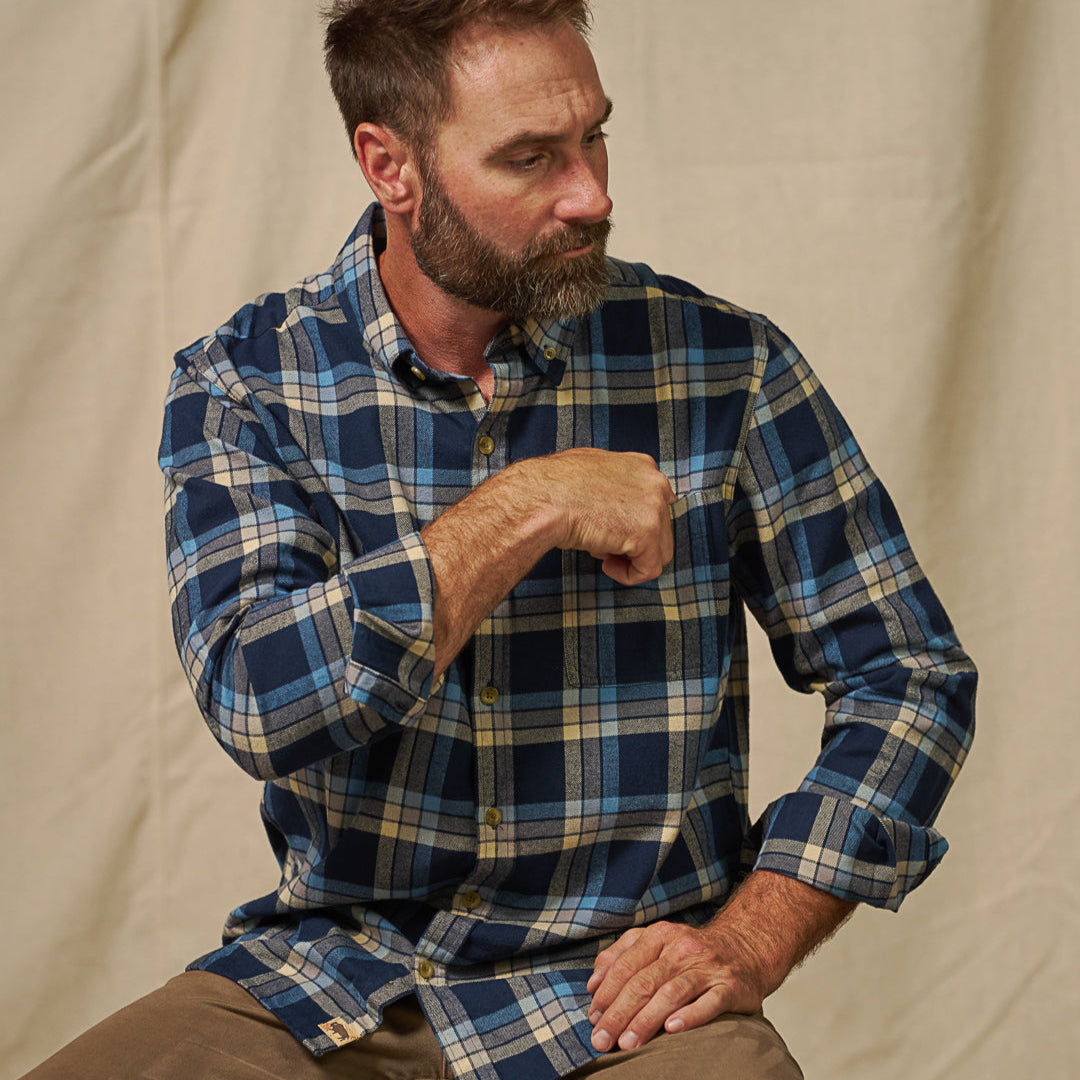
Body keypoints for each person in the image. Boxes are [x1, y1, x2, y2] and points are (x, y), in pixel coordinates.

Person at [22, 1, 976, 1078]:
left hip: (623, 1002)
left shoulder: (727, 369)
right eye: (531, 158)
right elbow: (259, 697)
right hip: (333, 979)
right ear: (390, 166)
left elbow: (909, 677)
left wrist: (746, 940)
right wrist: (526, 506)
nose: (594, 195)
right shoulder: (247, 385)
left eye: (594, 137)